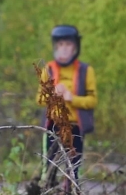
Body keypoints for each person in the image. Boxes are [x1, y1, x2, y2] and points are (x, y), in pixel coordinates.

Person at [37, 24, 97, 184]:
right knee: (48, 171)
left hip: (75, 127)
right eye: (60, 45)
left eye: (68, 44)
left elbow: (92, 100)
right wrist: (52, 94)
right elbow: (39, 99)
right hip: (53, 127)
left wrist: (72, 98)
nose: (64, 49)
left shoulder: (86, 70)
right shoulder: (48, 69)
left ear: (75, 47)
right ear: (55, 47)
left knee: (74, 172)